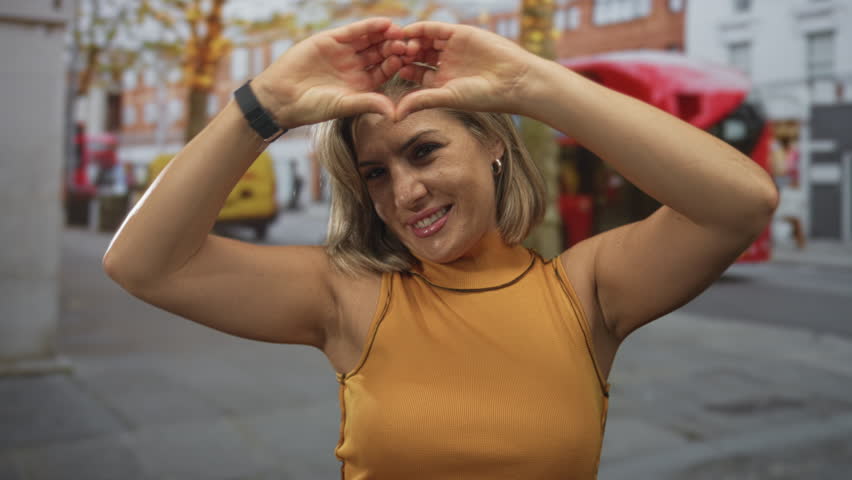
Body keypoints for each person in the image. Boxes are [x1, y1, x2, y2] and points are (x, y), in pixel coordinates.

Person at [103, 18, 778, 479]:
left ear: (493, 146)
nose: (404, 192)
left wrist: (531, 84)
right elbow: (142, 265)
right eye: (376, 173)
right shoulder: (347, 295)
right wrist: (266, 103)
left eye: (424, 151)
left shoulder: (585, 291)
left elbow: (742, 202)